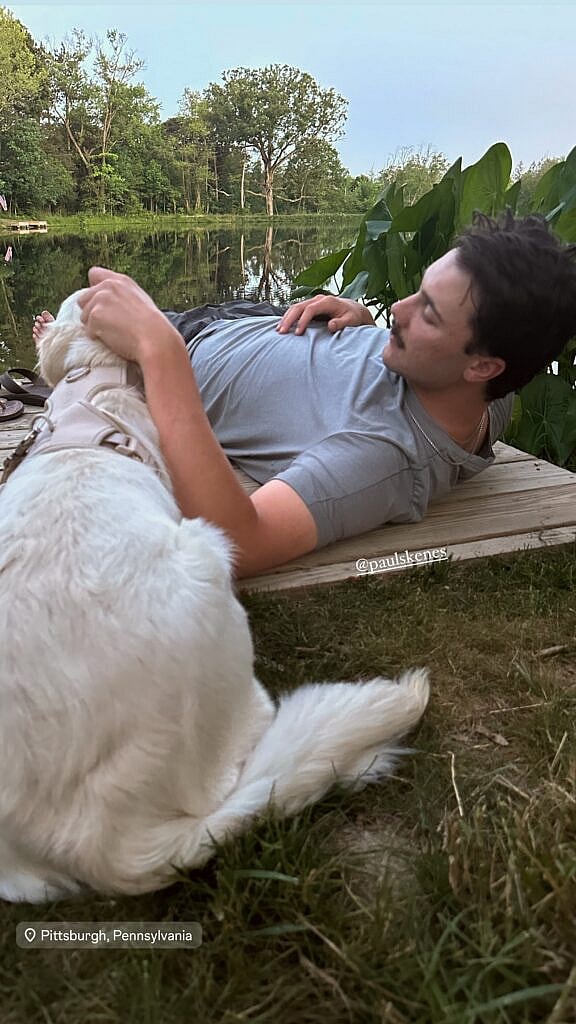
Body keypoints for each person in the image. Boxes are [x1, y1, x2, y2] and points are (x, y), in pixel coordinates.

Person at [32, 212, 576, 578]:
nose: (400, 311)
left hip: (171, 358)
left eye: (428, 313)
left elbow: (241, 542)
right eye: (417, 293)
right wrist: (367, 327)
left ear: (482, 364)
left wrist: (157, 351)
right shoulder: (488, 394)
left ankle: (64, 345)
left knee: (82, 301)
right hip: (248, 319)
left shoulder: (382, 457)